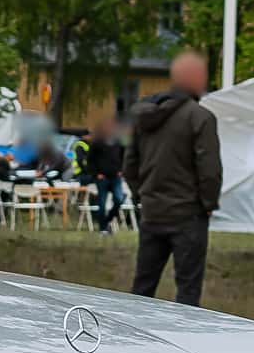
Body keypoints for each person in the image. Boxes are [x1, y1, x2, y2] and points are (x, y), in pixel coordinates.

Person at [125, 47, 224, 307]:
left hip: (152, 211)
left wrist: (142, 194)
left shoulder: (143, 119)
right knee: (188, 291)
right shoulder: (200, 118)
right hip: (188, 214)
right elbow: (210, 169)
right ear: (197, 80)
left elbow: (130, 164)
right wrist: (208, 204)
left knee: (142, 287)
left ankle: (133, 337)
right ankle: (185, 342)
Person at [85, 117, 128, 234]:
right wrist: (96, 174)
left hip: (116, 177)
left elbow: (125, 157)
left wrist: (122, 170)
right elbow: (90, 160)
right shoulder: (97, 143)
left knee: (119, 199)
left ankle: (107, 220)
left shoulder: (119, 142)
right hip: (102, 177)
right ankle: (103, 229)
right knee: (102, 204)